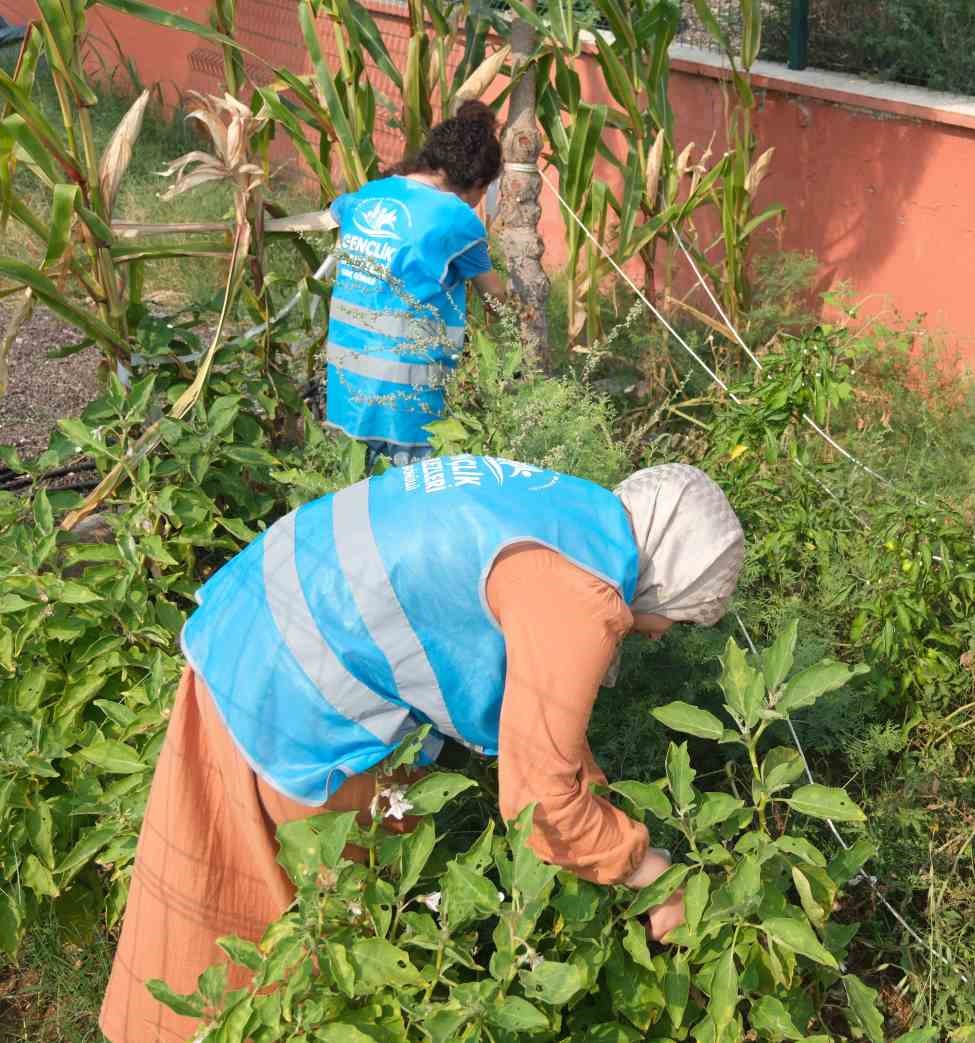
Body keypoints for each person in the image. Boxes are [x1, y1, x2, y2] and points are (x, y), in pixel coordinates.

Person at [99, 458, 746, 1043]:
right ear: (671, 576)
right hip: (296, 687)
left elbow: (550, 730)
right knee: (316, 935)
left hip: (262, 618)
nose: (662, 636)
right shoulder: (580, 595)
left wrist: (600, 808)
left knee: (214, 887)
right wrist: (650, 872)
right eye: (682, 619)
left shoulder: (574, 516)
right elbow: (539, 803)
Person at [325, 101, 510, 467]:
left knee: (350, 495)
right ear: (475, 183)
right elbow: (498, 297)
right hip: (406, 404)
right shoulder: (457, 219)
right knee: (407, 503)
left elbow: (335, 208)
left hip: (346, 391)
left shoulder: (368, 195)